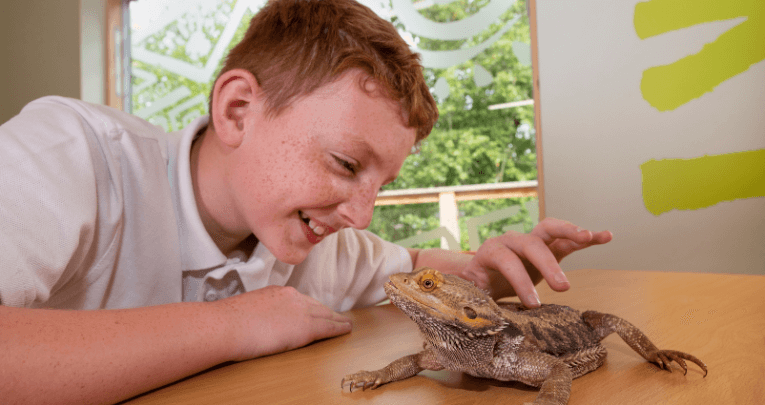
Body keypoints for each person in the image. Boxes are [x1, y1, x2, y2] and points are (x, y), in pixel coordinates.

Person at [0, 0, 611, 403]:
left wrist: (487, 270)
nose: (362, 214)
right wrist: (237, 324)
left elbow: (413, 265)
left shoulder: (322, 241)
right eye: (346, 164)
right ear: (238, 110)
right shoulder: (66, 154)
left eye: (381, 185)